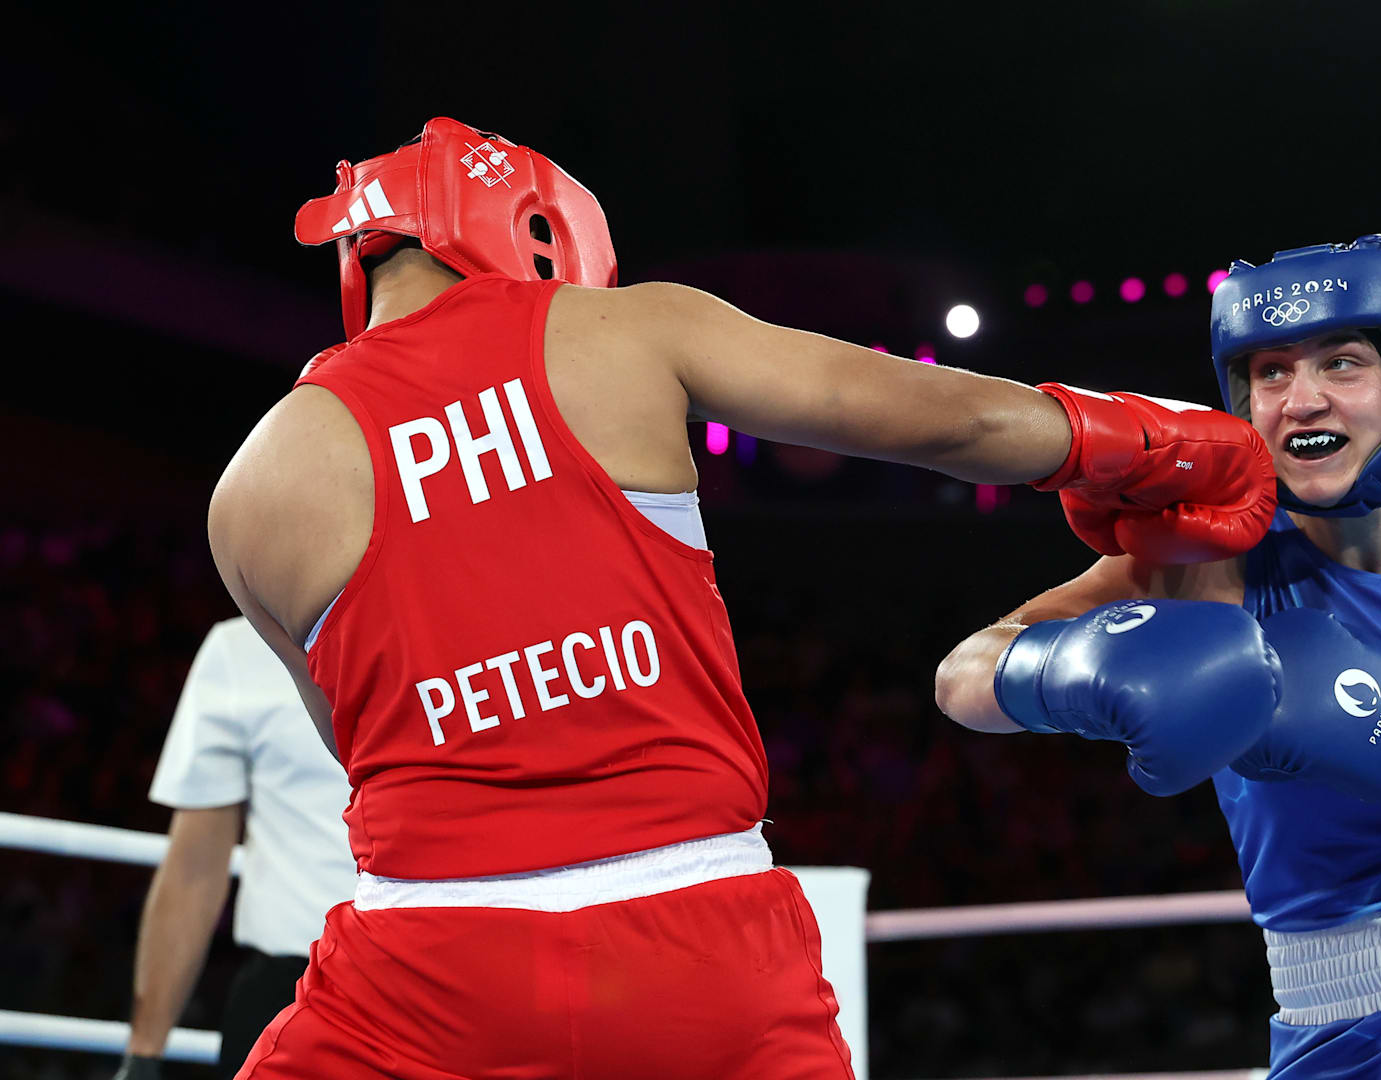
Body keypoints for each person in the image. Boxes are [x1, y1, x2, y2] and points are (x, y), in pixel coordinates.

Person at [205, 117, 1282, 1079]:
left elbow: (362, 745)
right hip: (701, 948)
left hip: (425, 969)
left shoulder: (249, 490)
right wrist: (1152, 447)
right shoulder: (619, 331)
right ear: (528, 226)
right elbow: (952, 423)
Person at [935, 235, 1381, 1078]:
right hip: (1318, 1033)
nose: (1299, 400)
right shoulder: (1208, 562)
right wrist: (1080, 667)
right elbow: (963, 675)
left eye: (1341, 364)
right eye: (1269, 372)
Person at [115, 617, 354, 1080]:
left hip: (443, 970)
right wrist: (143, 1056)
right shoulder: (239, 651)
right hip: (288, 989)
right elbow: (194, 868)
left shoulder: (462, 620)